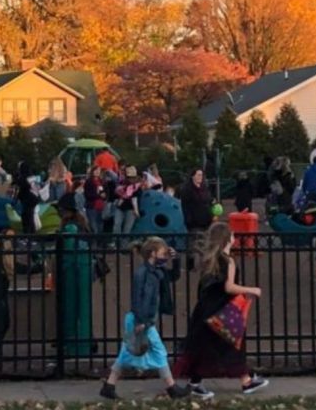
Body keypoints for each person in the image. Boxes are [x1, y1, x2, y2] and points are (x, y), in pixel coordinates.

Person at [174, 222, 268, 399]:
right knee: (229, 344)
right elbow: (229, 287)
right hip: (221, 312)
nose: (234, 238)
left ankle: (243, 380)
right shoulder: (228, 261)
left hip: (205, 310)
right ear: (227, 239)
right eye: (232, 235)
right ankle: (245, 381)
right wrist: (251, 290)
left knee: (210, 347)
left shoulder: (211, 260)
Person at [99, 236, 189, 401]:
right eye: (163, 253)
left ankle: (109, 386)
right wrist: (141, 321)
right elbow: (137, 298)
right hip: (142, 320)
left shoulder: (157, 271)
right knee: (159, 351)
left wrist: (176, 259)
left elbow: (174, 276)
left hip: (144, 320)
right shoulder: (142, 273)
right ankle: (172, 388)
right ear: (153, 254)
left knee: (126, 353)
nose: (165, 257)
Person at [113, 166, 142, 236]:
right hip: (120, 207)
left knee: (127, 229)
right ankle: (116, 242)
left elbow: (135, 198)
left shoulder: (137, 186)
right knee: (117, 225)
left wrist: (136, 210)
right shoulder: (121, 183)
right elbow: (116, 193)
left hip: (130, 209)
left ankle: (124, 245)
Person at [13, 161, 39, 234]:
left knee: (26, 218)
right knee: (30, 217)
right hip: (34, 198)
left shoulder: (24, 177)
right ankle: (32, 235)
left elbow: (21, 186)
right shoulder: (32, 177)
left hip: (28, 199)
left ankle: (27, 235)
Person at [84, 166, 106, 233]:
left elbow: (106, 193)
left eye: (98, 171)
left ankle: (100, 242)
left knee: (100, 225)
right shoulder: (88, 182)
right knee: (93, 226)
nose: (97, 172)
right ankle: (94, 242)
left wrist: (104, 195)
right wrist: (98, 195)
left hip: (101, 206)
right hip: (92, 206)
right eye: (95, 170)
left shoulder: (102, 182)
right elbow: (87, 195)